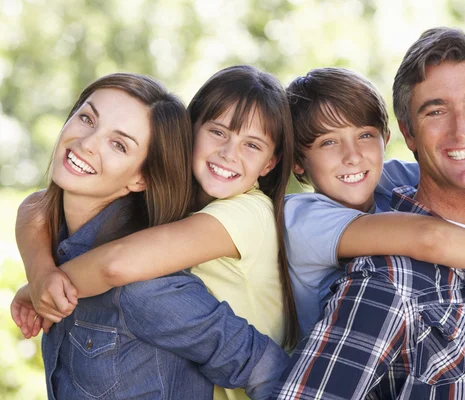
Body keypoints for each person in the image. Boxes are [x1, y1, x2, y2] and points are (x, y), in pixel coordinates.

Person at [273, 28, 465, 399]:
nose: (461, 129)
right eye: (436, 111)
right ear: (409, 134)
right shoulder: (387, 277)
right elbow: (430, 238)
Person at [10, 72, 289, 400]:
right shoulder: (68, 232)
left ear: (142, 177)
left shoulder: (244, 215)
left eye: (119, 144)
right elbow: (36, 206)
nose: (87, 143)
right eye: (86, 118)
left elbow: (115, 265)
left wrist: (41, 287)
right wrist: (41, 273)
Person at [284, 67, 465, 339]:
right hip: (341, 366)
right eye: (328, 142)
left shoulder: (387, 178)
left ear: (386, 139)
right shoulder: (300, 217)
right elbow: (429, 237)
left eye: (365, 135)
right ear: (297, 161)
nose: (353, 156)